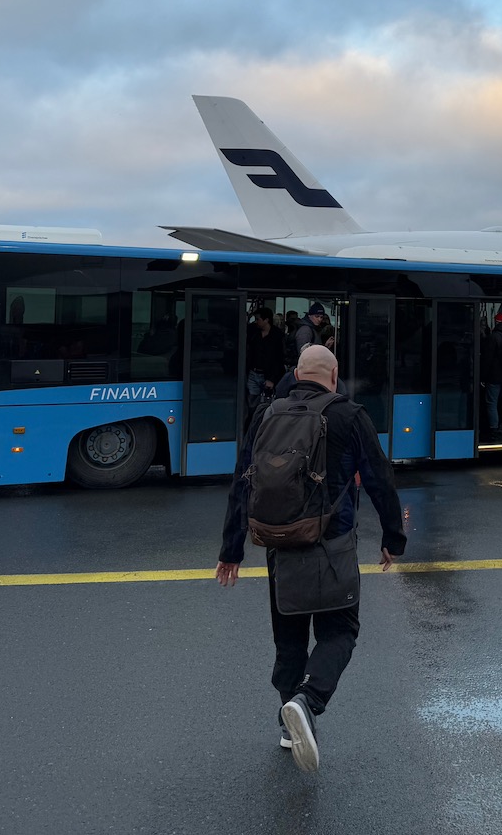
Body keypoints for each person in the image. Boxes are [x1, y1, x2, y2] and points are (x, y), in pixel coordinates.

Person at [215, 345, 406, 774]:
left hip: (280, 547)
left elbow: (241, 484)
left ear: (297, 374)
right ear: (334, 374)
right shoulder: (349, 415)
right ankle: (309, 700)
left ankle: (289, 723)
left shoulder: (265, 414)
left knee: (289, 640)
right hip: (332, 544)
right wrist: (394, 539)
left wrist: (231, 550)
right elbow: (380, 479)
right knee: (340, 632)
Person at [244, 307, 286, 413]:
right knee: (252, 404)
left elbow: (279, 359)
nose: (256, 321)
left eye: (258, 319)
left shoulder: (277, 336)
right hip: (253, 372)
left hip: (268, 374)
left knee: (266, 404)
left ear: (266, 320)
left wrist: (272, 378)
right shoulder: (254, 332)